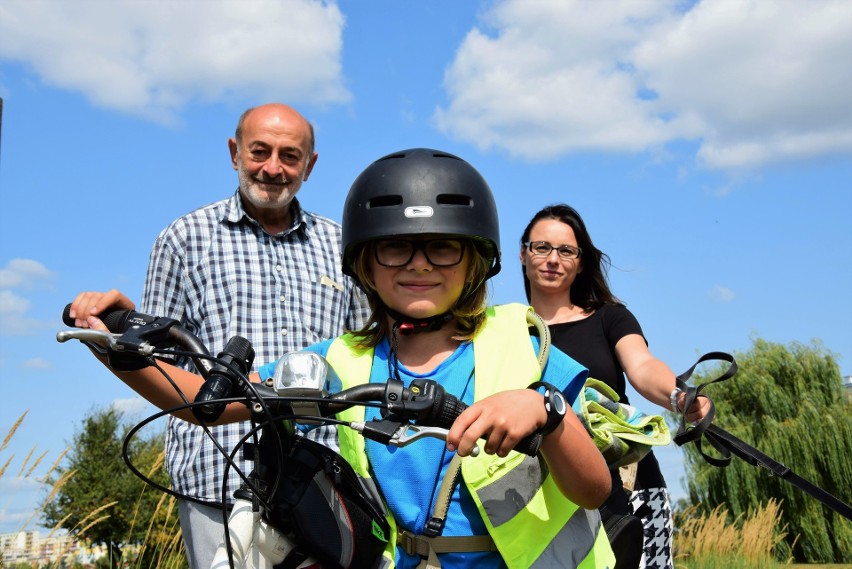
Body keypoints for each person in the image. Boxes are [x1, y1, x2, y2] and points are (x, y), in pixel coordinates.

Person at [68, 148, 616, 568]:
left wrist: (546, 411)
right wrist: (112, 343)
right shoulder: (341, 360)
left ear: (476, 260)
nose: (419, 264)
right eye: (395, 246)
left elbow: (595, 489)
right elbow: (205, 403)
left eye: (443, 246)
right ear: (364, 265)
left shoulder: (520, 342)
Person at [136, 103, 370, 568]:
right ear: (234, 153)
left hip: (320, 476)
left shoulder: (342, 247)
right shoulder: (184, 238)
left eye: (289, 155)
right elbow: (154, 358)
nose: (273, 168)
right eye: (259, 151)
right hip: (215, 474)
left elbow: (363, 348)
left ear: (310, 164)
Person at [519, 204, 710, 569]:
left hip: (625, 483)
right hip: (542, 490)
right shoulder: (505, 330)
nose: (552, 259)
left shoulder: (609, 316)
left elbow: (642, 366)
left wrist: (677, 396)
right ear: (524, 253)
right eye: (542, 247)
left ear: (580, 262)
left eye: (566, 251)